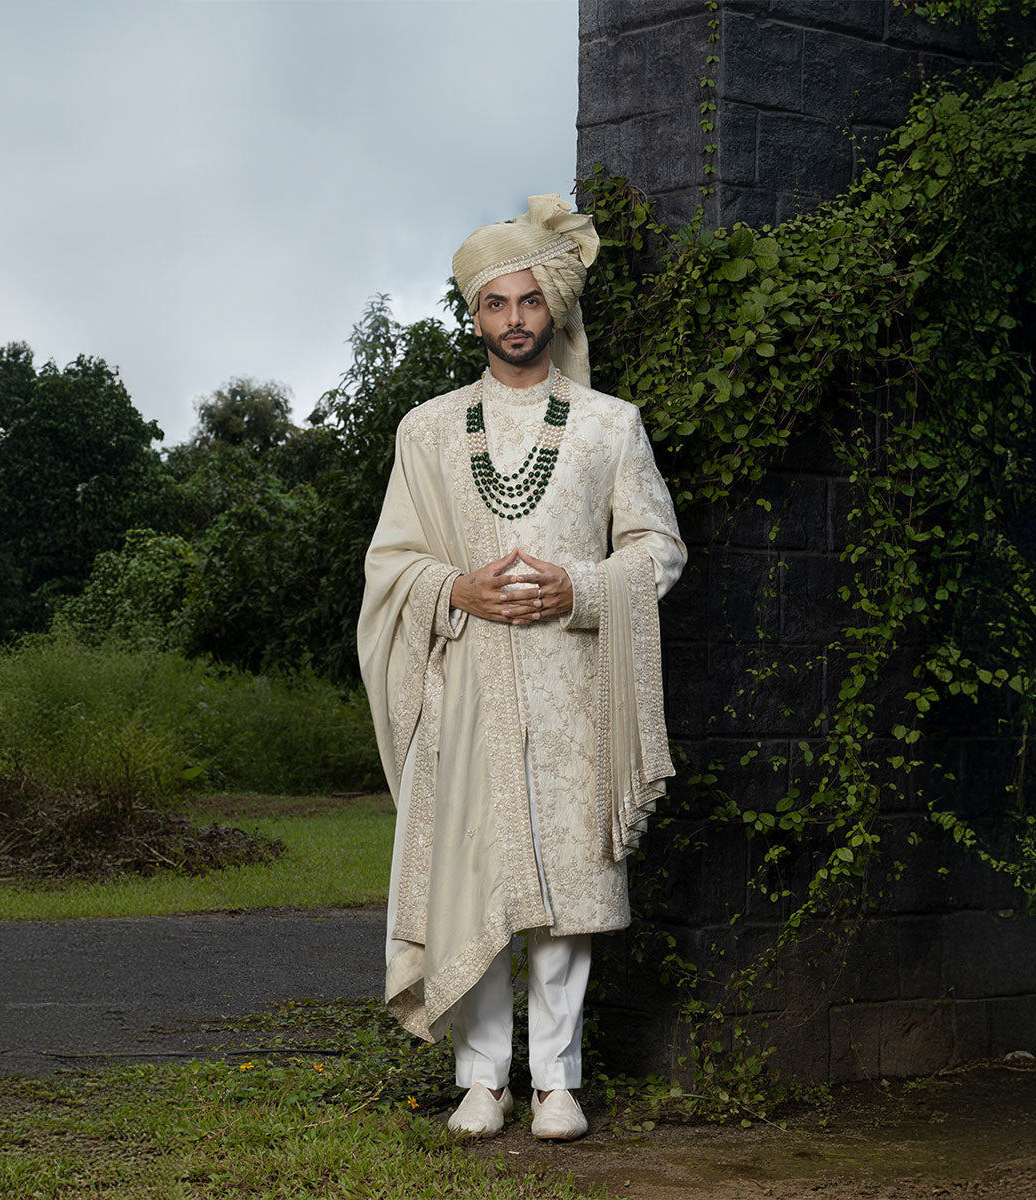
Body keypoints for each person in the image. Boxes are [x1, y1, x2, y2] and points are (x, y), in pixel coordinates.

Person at [358, 194, 686, 1141]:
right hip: (465, 688)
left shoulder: (608, 427)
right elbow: (393, 565)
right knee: (476, 876)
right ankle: (482, 1078)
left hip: (574, 687)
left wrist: (578, 593)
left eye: (529, 302)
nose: (514, 320)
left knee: (565, 889)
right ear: (474, 316)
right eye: (495, 304)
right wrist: (456, 591)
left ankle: (556, 1082)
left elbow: (657, 550)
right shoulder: (426, 431)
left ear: (555, 309)